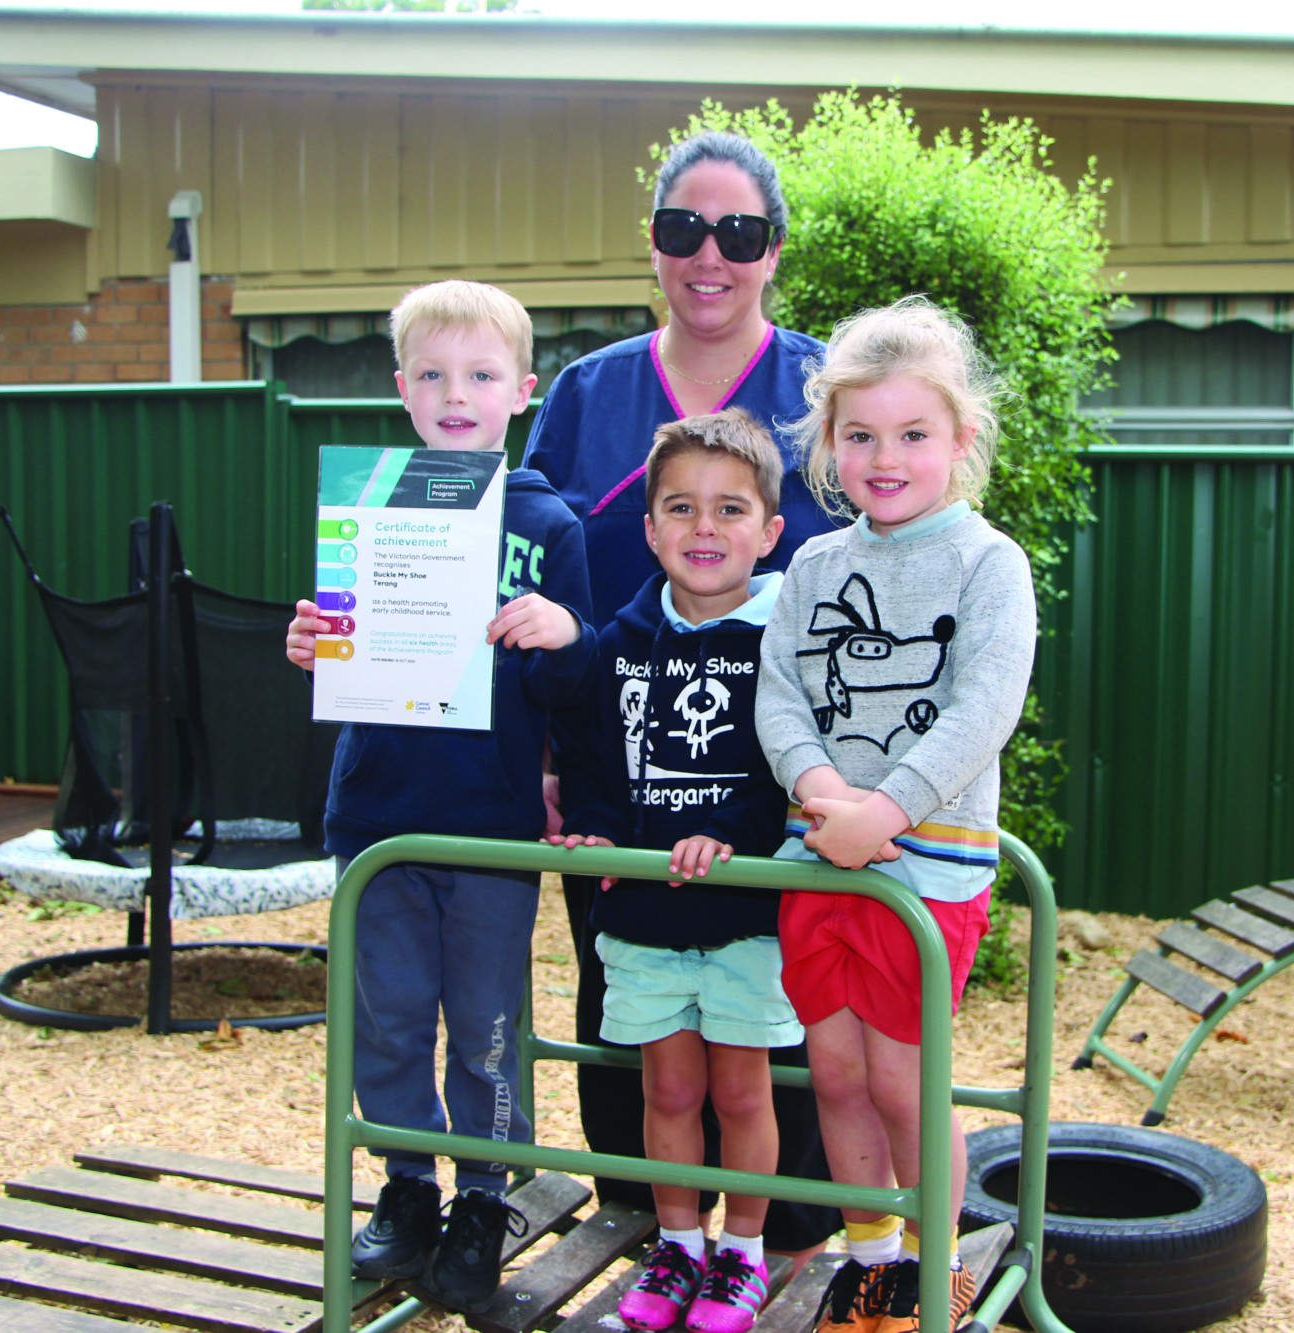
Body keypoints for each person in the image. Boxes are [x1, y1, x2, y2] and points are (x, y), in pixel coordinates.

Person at [523, 130, 842, 1263]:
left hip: (784, 784)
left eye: (739, 232)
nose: (710, 255)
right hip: (615, 772)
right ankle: (642, 1229)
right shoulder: (583, 393)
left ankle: (783, 1240)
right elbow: (523, 561)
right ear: (651, 243)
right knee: (634, 997)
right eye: (683, 229)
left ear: (772, 249)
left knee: (781, 1005)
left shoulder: (824, 391)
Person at [284, 281, 596, 1308]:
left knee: (486, 1027)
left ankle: (484, 1195)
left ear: (521, 389)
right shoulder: (370, 505)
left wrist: (564, 638)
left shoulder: (551, 525)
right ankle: (406, 1187)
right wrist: (312, 647)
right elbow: (349, 653)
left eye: (479, 374)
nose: (455, 394)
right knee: (386, 1019)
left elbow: (577, 692)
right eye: (432, 374)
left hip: (491, 826)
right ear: (400, 388)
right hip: (376, 815)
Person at [755, 296, 1037, 1333]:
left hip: (922, 867)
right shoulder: (815, 567)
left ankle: (934, 1267)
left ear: (958, 440)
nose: (886, 456)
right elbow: (777, 691)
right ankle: (868, 1262)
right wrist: (819, 791)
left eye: (912, 434)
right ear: (828, 441)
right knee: (831, 1070)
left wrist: (887, 807)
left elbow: (982, 705)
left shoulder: (984, 562)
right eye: (860, 434)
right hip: (819, 852)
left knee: (903, 1077)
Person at [551, 409, 798, 1333]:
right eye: (682, 508)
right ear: (649, 528)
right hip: (646, 914)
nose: (705, 528)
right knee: (668, 1091)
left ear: (769, 533)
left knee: (742, 1092)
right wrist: (596, 828)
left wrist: (735, 840)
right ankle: (677, 1244)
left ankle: (743, 1254)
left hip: (741, 917)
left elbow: (790, 766)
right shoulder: (619, 647)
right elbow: (594, 761)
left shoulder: (785, 645)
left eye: (731, 509)